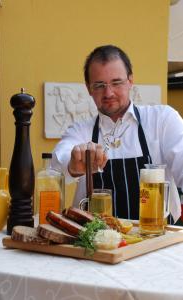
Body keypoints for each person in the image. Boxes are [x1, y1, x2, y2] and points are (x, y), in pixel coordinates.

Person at [52, 44, 183, 223]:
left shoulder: (162, 119)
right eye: (99, 85)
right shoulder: (80, 130)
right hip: (98, 245)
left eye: (116, 82)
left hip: (158, 242)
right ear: (89, 88)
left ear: (130, 81)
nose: (109, 92)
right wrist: (73, 165)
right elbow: (57, 165)